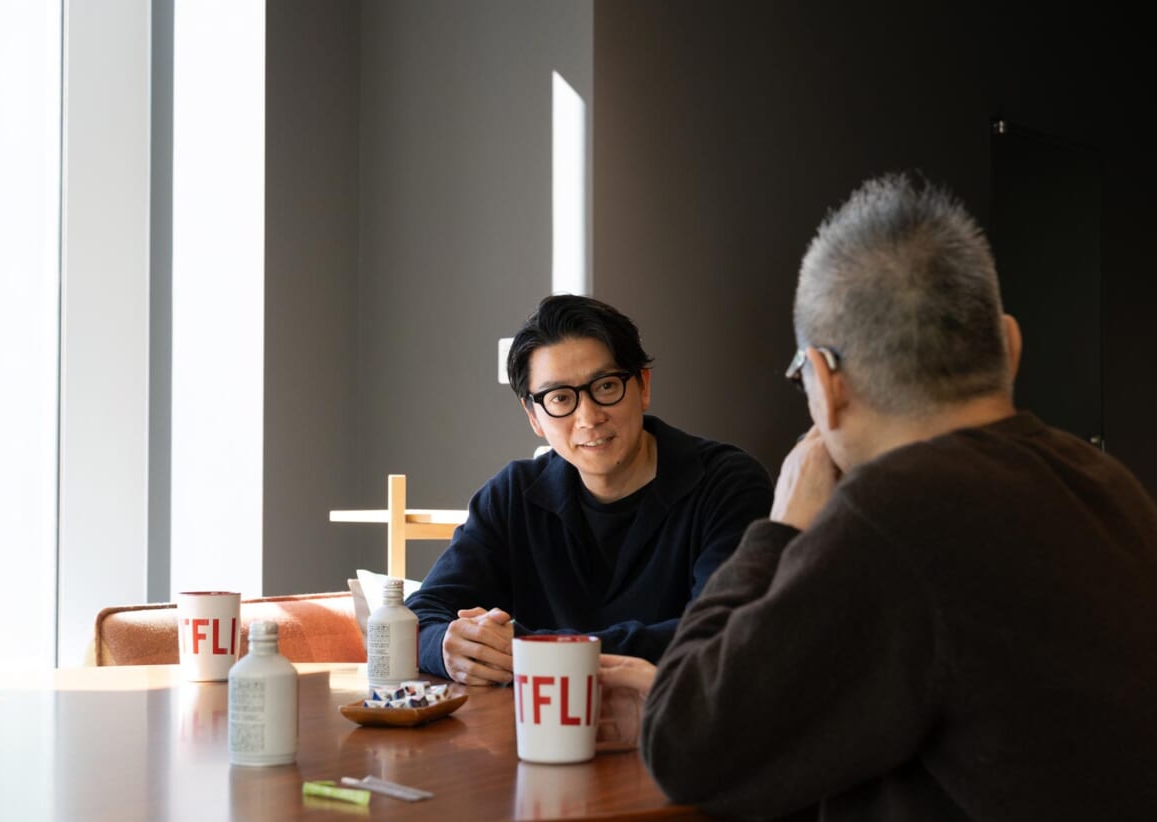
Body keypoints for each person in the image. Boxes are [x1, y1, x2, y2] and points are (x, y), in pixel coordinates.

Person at [609, 173, 1157, 820]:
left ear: (824, 381)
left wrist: (781, 529)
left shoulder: (893, 519)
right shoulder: (1110, 485)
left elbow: (683, 747)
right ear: (1009, 346)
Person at [405, 294, 773, 685]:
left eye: (606, 386)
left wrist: (533, 649)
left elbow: (724, 632)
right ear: (534, 416)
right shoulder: (511, 496)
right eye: (560, 398)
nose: (589, 417)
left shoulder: (728, 484)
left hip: (673, 719)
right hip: (534, 721)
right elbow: (420, 615)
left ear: (643, 386)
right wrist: (447, 645)